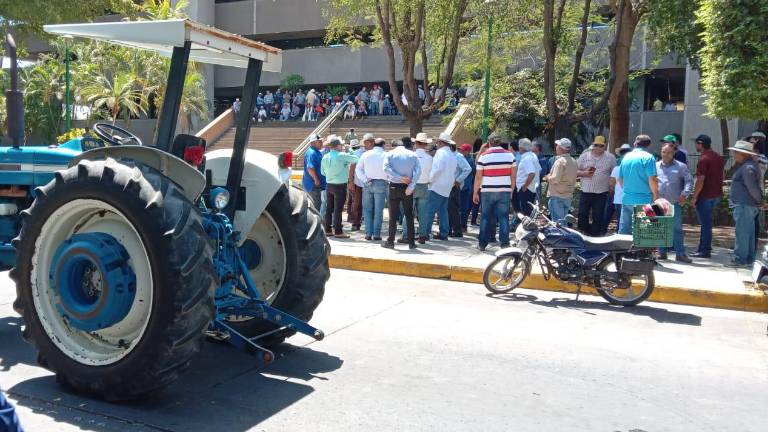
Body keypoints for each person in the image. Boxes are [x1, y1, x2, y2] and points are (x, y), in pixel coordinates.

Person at [473, 133, 515, 251]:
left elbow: (478, 177)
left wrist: (475, 192)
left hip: (487, 190)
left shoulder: (483, 156)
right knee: (503, 217)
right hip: (504, 190)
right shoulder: (510, 156)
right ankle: (505, 243)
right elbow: (513, 176)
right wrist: (511, 190)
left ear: (489, 142)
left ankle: (482, 244)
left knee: (485, 217)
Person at [727, 140, 764, 267]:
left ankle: (740, 259)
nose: (733, 154)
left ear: (742, 154)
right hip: (748, 205)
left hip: (745, 205)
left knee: (742, 233)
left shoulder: (747, 167)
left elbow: (752, 188)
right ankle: (747, 259)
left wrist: (759, 201)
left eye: (735, 152)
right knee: (748, 233)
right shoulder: (749, 166)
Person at [656, 143, 693, 262]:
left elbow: (689, 181)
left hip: (674, 202)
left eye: (669, 152)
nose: (666, 155)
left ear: (674, 153)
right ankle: (661, 252)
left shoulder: (681, 166)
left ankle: (680, 253)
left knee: (676, 229)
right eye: (663, 152)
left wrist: (684, 194)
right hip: (659, 202)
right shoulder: (655, 166)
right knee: (661, 227)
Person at [690, 134, 725, 258]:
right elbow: (723, 175)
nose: (695, 145)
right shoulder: (718, 157)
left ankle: (704, 250)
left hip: (705, 196)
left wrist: (694, 196)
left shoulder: (703, 159)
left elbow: (700, 179)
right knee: (707, 223)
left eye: (696, 143)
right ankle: (703, 248)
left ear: (700, 144)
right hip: (716, 195)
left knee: (705, 225)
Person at [382, 139, 421, 249]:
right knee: (409, 215)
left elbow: (385, 168)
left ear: (394, 146)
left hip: (394, 185)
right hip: (407, 187)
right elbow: (418, 171)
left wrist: (399, 177)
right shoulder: (413, 155)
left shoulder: (390, 154)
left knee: (393, 216)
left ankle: (390, 241)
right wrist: (412, 185)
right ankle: (411, 242)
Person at [617, 135, 659, 235]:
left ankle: (620, 249)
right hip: (644, 199)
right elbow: (652, 179)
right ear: (649, 145)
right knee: (642, 231)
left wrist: (627, 191)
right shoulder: (649, 158)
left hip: (627, 198)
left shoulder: (626, 157)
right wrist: (655, 195)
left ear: (635, 144)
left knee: (624, 229)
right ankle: (638, 250)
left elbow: (620, 179)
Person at [577, 135, 616, 236]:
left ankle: (595, 236)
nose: (598, 148)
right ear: (592, 144)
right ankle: (584, 233)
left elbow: (614, 173)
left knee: (598, 215)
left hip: (601, 192)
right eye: (596, 145)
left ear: (605, 146)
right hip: (585, 191)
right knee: (582, 214)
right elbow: (575, 171)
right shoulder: (584, 156)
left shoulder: (610, 158)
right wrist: (584, 173)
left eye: (601, 146)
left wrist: (612, 187)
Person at [320, 136, 358, 238]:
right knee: (338, 209)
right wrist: (349, 149)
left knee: (329, 208)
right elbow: (356, 159)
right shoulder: (341, 155)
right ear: (337, 146)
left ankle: (327, 229)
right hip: (340, 185)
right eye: (341, 145)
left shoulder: (325, 156)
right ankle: (338, 231)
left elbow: (322, 172)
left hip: (329, 184)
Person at [423, 133, 459, 241]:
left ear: (441, 142)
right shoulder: (452, 154)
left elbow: (438, 169)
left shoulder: (440, 153)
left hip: (437, 185)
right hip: (447, 186)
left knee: (430, 210)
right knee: (443, 211)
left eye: (437, 142)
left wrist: (430, 180)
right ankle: (444, 233)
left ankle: (425, 232)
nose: (436, 144)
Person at [356, 137, 388, 240]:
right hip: (381, 183)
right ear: (383, 145)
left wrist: (364, 179)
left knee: (367, 209)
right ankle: (376, 234)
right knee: (378, 210)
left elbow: (358, 169)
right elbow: (389, 170)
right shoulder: (386, 155)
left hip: (368, 183)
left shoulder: (366, 154)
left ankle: (368, 233)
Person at [545, 138, 577, 223]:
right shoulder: (573, 161)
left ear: (560, 148)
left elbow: (555, 179)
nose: (556, 147)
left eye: (557, 146)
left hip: (557, 196)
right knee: (563, 222)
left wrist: (547, 177)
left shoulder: (560, 161)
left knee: (558, 224)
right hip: (568, 196)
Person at [605, 144, 632, 232]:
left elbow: (611, 184)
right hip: (630, 198)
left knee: (622, 222)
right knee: (626, 222)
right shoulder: (633, 167)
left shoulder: (617, 168)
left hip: (620, 198)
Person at [348, 134, 373, 231]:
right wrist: (350, 182)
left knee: (370, 204)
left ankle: (369, 225)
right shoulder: (357, 153)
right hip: (358, 183)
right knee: (357, 203)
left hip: (371, 182)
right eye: (367, 142)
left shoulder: (373, 152)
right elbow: (352, 168)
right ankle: (355, 223)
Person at [413, 133, 434, 244]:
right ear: (425, 144)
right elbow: (432, 173)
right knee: (423, 213)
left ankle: (407, 234)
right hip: (425, 185)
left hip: (413, 185)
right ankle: (422, 235)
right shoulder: (430, 158)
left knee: (408, 212)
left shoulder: (412, 156)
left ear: (416, 143)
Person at [448, 144, 472, 237]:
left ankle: (456, 231)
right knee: (450, 209)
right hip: (449, 186)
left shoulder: (458, 156)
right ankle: (451, 230)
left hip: (453, 186)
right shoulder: (451, 156)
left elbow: (467, 169)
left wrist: (458, 180)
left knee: (452, 209)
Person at [515, 138, 541, 217]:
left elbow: (532, 173)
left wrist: (524, 186)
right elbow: (538, 170)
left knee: (525, 212)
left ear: (521, 148)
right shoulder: (532, 156)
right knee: (527, 211)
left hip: (526, 189)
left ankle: (527, 228)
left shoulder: (527, 158)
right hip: (530, 188)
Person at [302, 133, 325, 209]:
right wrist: (316, 179)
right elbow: (310, 168)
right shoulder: (311, 153)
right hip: (313, 186)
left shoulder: (316, 152)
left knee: (316, 206)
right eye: (320, 141)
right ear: (313, 143)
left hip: (315, 185)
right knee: (315, 207)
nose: (322, 143)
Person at [458, 143, 476, 231]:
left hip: (465, 187)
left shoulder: (469, 161)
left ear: (468, 151)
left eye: (463, 150)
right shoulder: (465, 159)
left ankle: (463, 226)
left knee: (463, 208)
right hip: (464, 186)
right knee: (462, 208)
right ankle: (462, 225)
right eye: (460, 149)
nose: (460, 151)